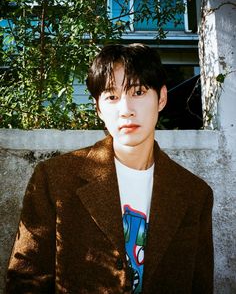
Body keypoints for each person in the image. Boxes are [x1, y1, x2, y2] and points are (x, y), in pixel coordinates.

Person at [6, 44, 214, 293]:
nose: (126, 110)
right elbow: (25, 281)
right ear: (98, 108)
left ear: (162, 98)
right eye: (112, 97)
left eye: (138, 92)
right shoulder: (54, 179)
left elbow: (199, 284)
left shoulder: (194, 193)